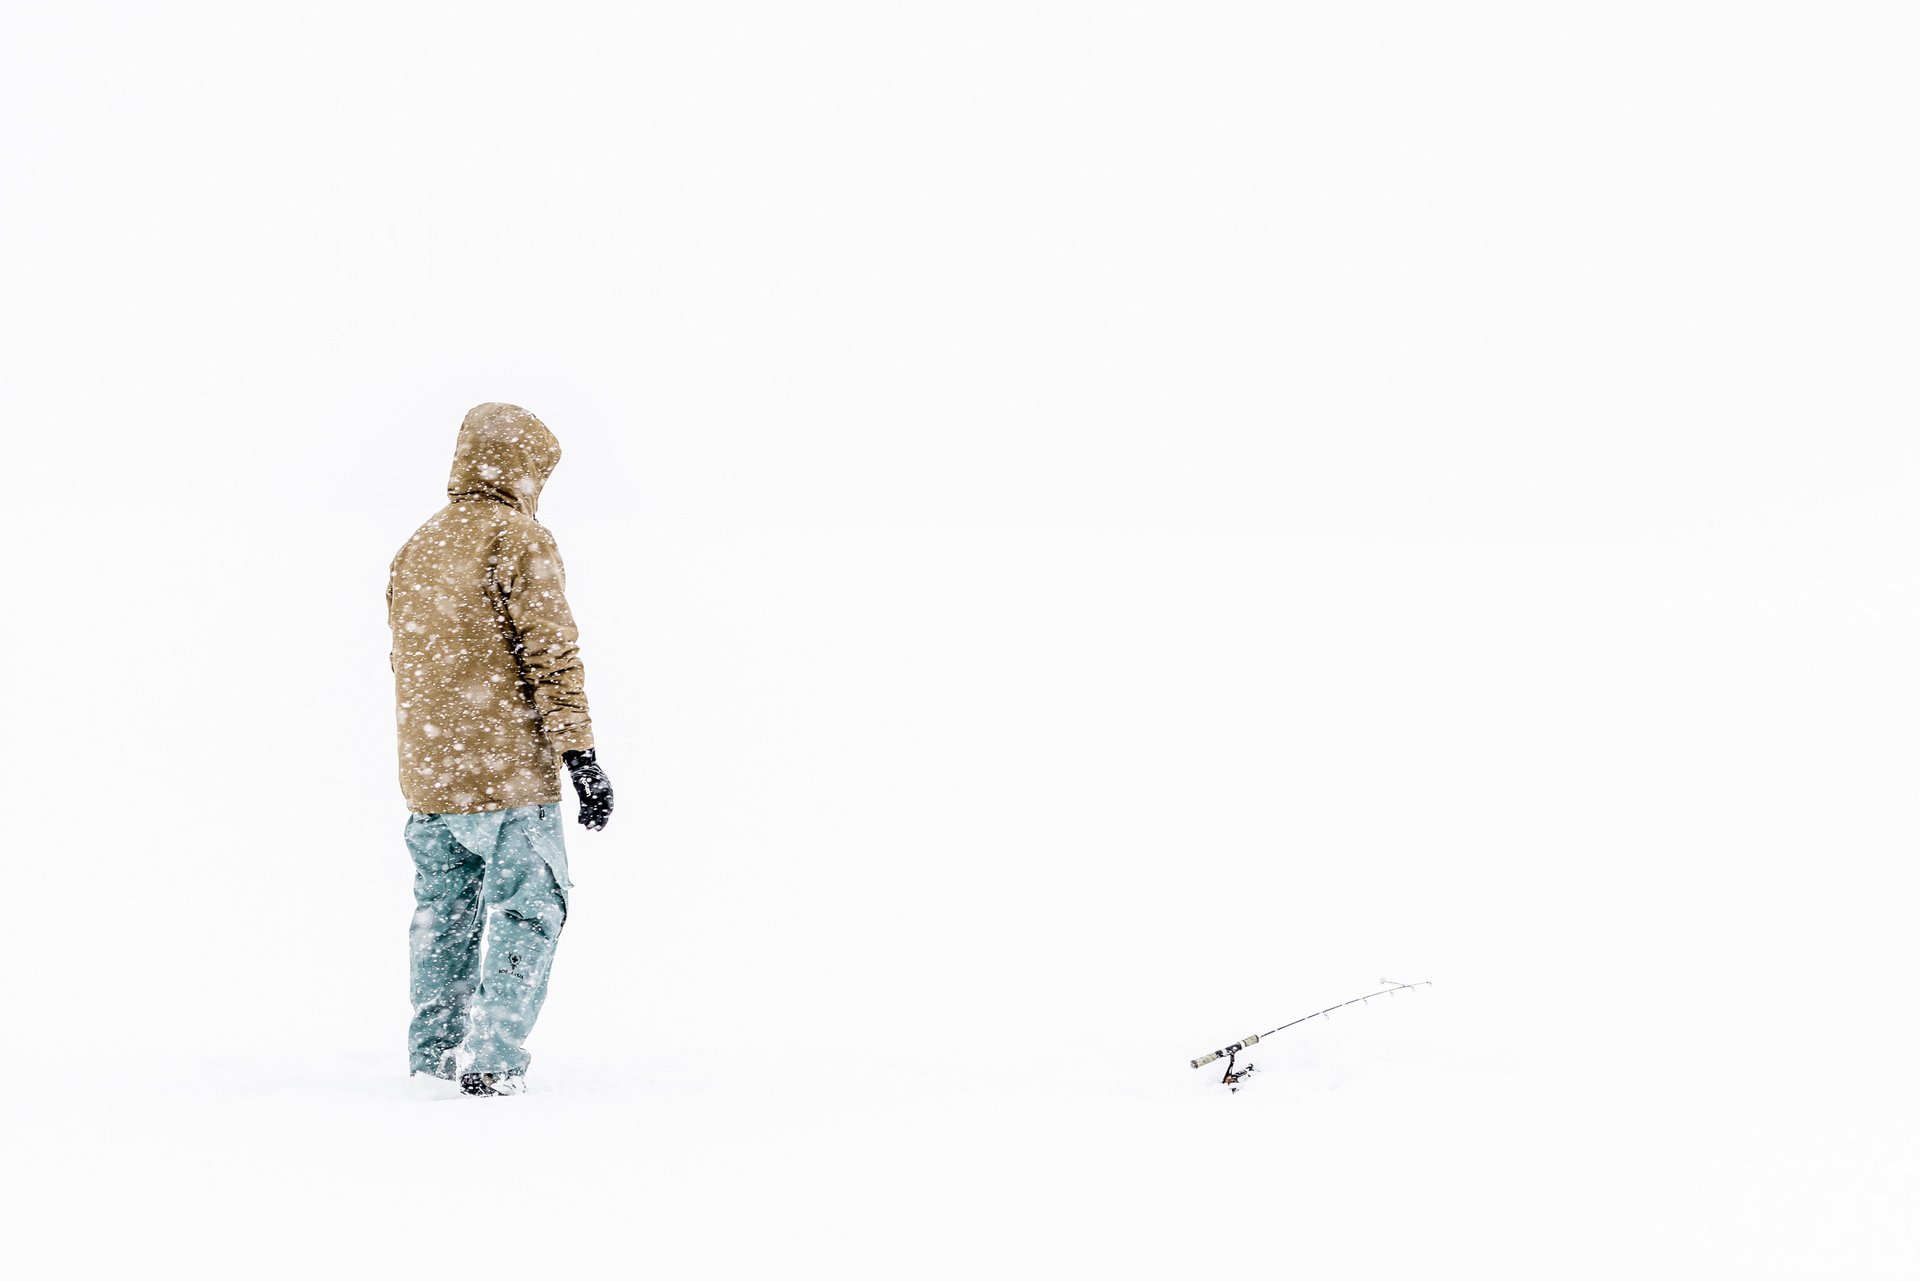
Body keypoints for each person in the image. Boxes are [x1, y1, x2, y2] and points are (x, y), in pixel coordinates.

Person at [387, 403, 613, 1096]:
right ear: (521, 467)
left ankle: (433, 1056)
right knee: (529, 908)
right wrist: (580, 756)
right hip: (508, 777)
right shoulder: (519, 538)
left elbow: (406, 660)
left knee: (443, 917)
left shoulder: (417, 544)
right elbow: (552, 653)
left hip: (432, 779)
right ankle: (492, 1061)